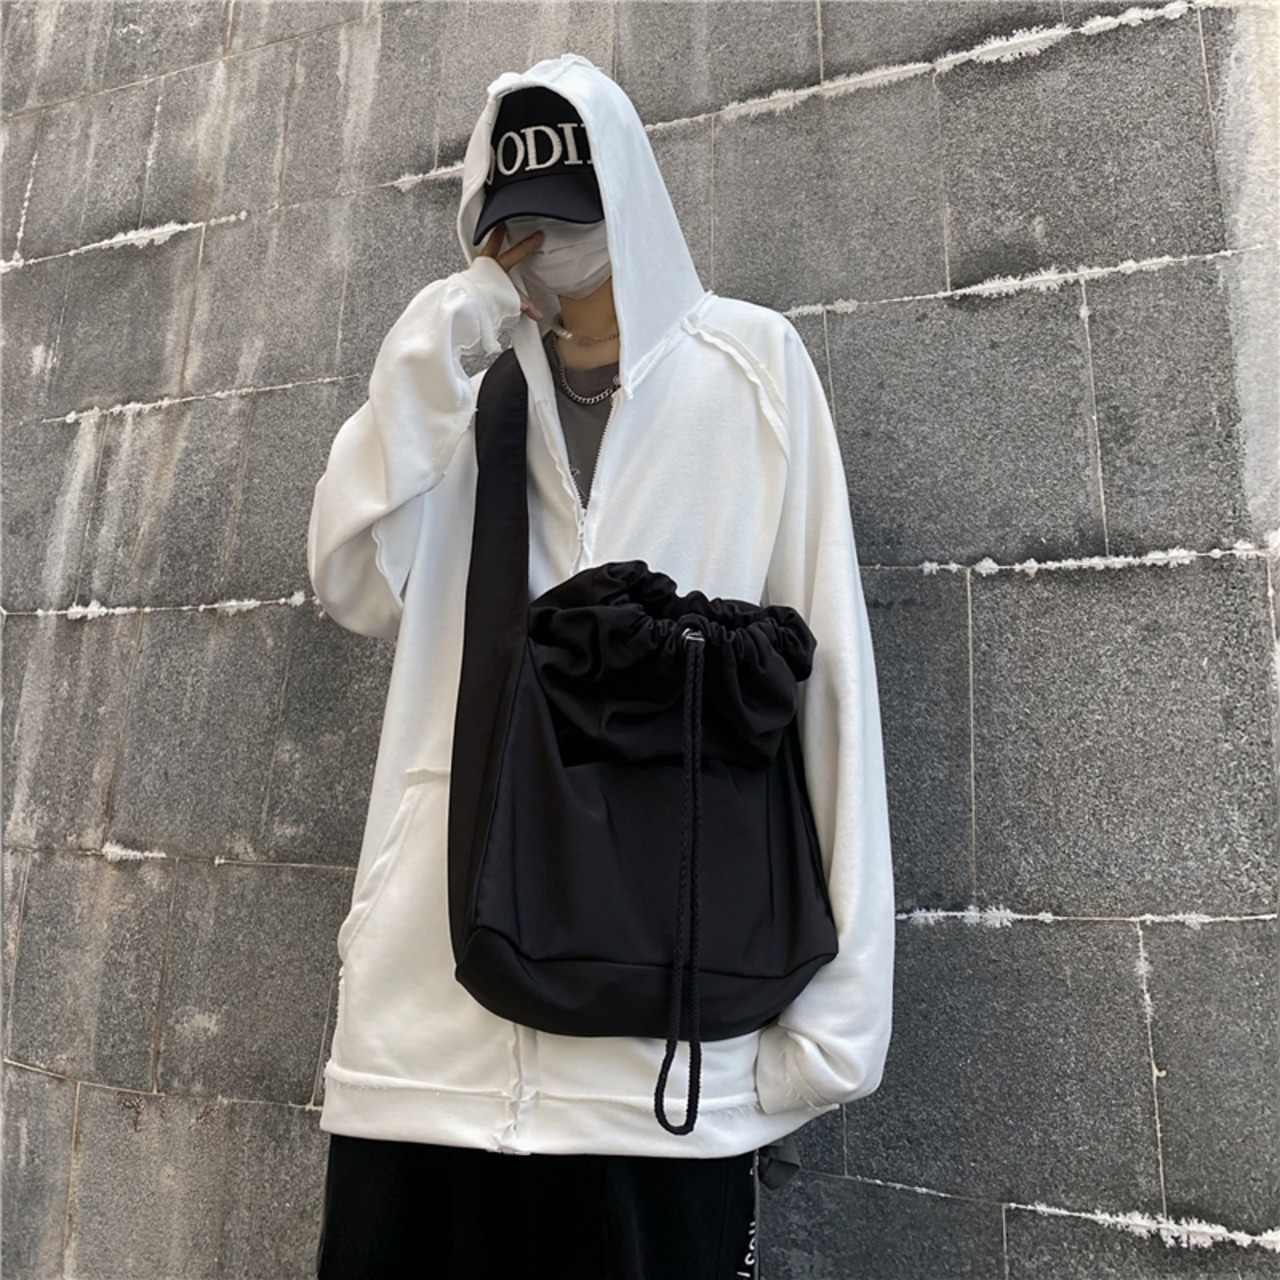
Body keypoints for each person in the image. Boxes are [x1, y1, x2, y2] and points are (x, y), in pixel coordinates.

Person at [308, 53, 895, 1279]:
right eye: (515, 223)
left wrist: (831, 1031)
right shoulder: (464, 395)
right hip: (424, 1041)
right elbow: (351, 579)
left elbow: (828, 686)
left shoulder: (751, 370)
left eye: (568, 213)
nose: (545, 246)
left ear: (625, 192)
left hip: (660, 1060)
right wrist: (446, 334)